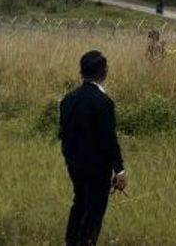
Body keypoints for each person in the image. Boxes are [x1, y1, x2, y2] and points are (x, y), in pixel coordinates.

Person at [59, 50, 126, 246]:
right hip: (97, 168)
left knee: (79, 203)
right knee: (95, 209)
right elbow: (108, 140)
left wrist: (70, 158)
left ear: (81, 73)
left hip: (74, 165)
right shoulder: (104, 103)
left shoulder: (67, 100)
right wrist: (119, 169)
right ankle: (86, 241)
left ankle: (71, 241)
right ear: (103, 72)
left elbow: (63, 134)